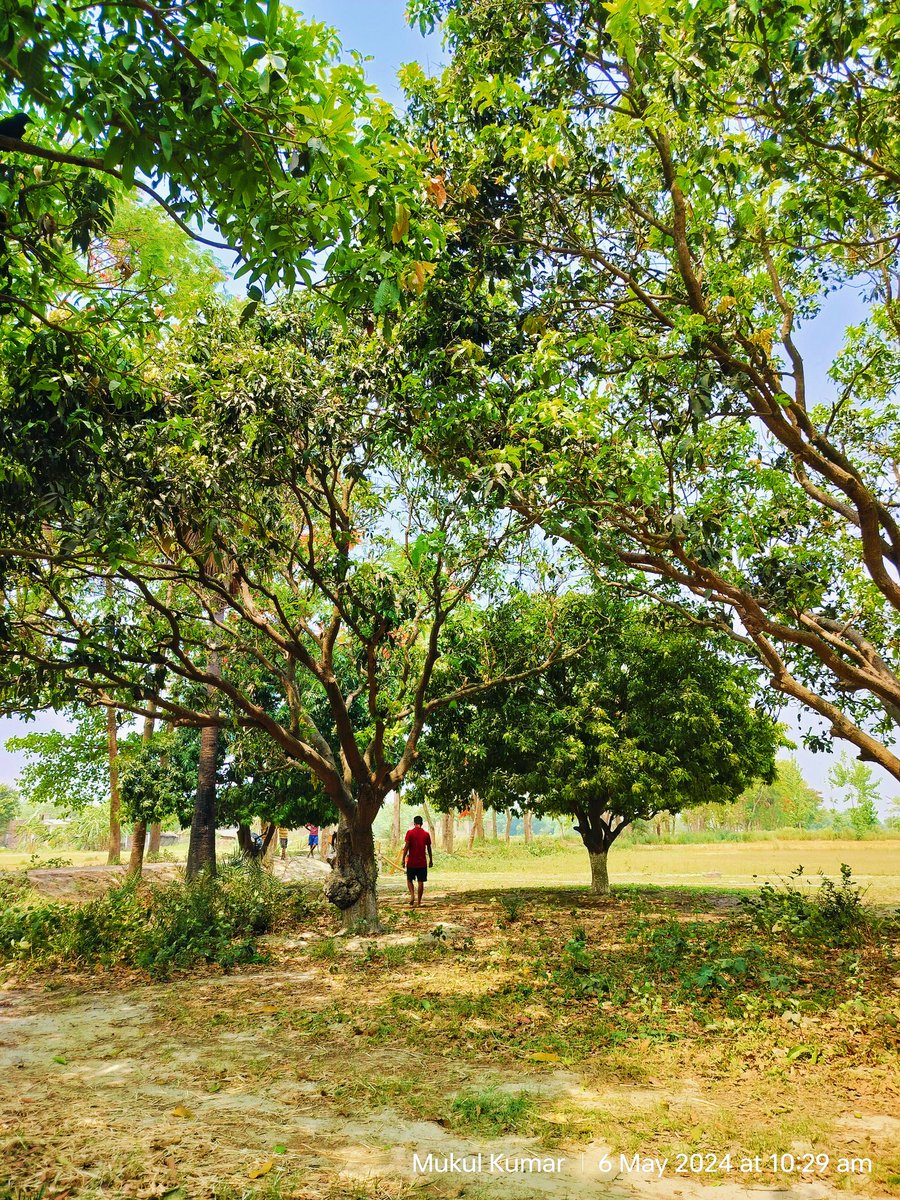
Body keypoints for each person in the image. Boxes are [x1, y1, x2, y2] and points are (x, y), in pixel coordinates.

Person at [401, 815, 433, 908]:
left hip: (411, 862)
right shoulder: (426, 834)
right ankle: (419, 902)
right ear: (422, 823)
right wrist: (430, 860)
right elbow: (429, 848)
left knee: (409, 880)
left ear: (414, 823)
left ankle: (412, 895)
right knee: (420, 882)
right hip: (422, 863)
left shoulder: (410, 833)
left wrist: (403, 859)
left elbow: (406, 847)